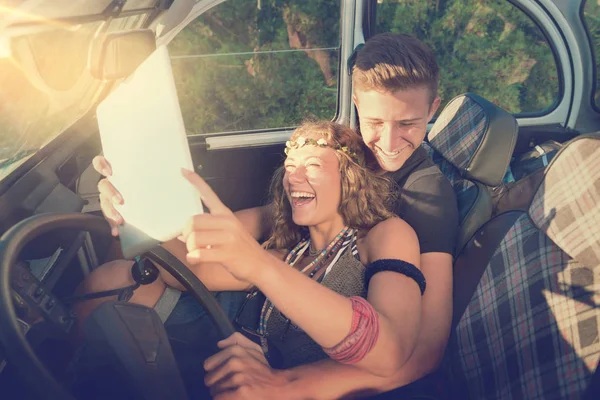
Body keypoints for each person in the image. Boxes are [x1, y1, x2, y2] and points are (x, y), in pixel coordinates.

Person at [91, 33, 458, 398]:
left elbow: (421, 352)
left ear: (432, 109)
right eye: (376, 122)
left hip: (321, 349)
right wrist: (134, 206)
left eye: (408, 124)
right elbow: (236, 235)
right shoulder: (344, 154)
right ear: (357, 103)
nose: (389, 143)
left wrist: (284, 385)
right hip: (266, 308)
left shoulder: (423, 197)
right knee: (117, 281)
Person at [78, 121, 424, 397]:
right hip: (237, 357)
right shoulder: (289, 253)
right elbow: (173, 268)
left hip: (296, 385)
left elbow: (391, 350)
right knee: (114, 281)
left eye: (313, 165)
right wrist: (130, 206)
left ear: (350, 178)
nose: (294, 177)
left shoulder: (383, 234)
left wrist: (259, 265)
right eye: (290, 167)